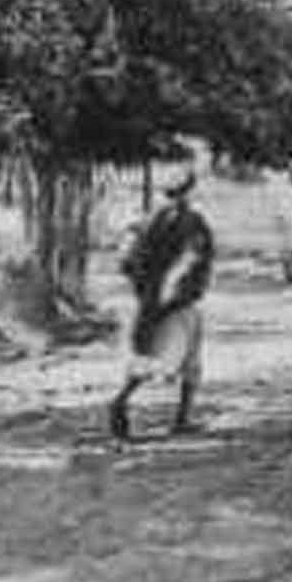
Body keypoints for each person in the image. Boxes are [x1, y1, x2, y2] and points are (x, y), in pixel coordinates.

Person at [110, 176, 215, 441]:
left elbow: (126, 262)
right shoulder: (191, 221)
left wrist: (145, 290)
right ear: (187, 192)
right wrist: (180, 291)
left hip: (149, 300)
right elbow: (197, 258)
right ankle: (178, 418)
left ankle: (123, 401)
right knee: (184, 359)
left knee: (149, 352)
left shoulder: (145, 220)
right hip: (177, 301)